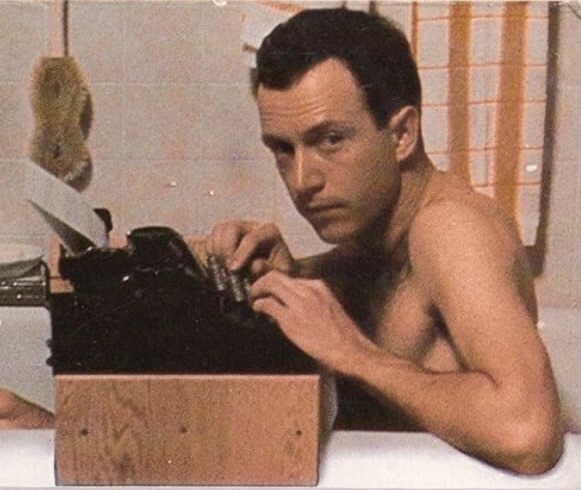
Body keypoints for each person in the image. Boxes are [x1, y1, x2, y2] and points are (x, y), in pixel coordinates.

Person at [204, 8, 563, 475]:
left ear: (401, 135)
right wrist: (296, 275)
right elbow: (392, 288)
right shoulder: (375, 232)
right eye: (283, 149)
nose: (302, 180)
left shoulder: (451, 229)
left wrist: (355, 354)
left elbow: (529, 434)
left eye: (330, 139)